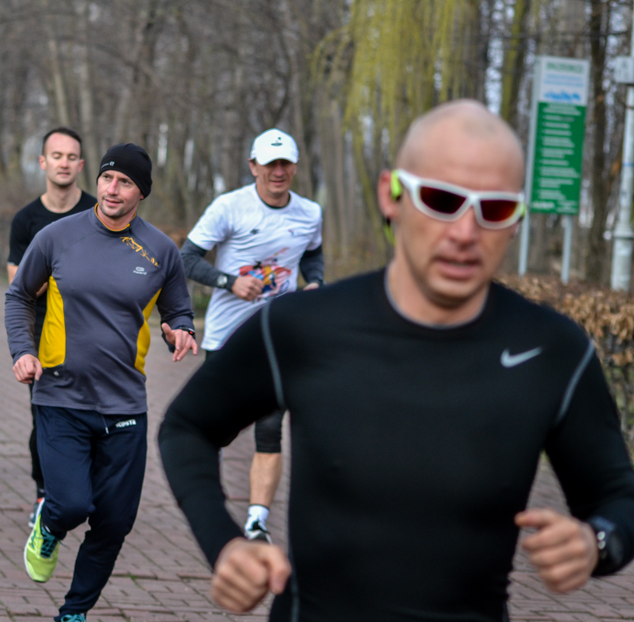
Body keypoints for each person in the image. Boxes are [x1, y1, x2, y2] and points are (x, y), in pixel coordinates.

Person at [158, 100, 634, 621]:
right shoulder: (304, 326)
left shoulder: (553, 348)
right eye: (441, 199)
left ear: (518, 218)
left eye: (494, 209)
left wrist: (596, 544)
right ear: (392, 195)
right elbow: (187, 427)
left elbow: (618, 497)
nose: (465, 232)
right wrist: (223, 542)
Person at [5, 143, 198, 622]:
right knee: (71, 504)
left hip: (125, 403)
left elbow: (178, 307)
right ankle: (48, 527)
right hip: (60, 396)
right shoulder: (57, 236)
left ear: (141, 193)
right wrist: (23, 351)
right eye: (108, 179)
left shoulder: (159, 250)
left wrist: (181, 329)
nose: (112, 190)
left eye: (125, 183)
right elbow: (18, 296)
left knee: (114, 522)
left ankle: (74, 612)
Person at [180, 128, 323, 543]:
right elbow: (186, 257)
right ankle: (208, 503)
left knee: (270, 427)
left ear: (294, 167)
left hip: (278, 335)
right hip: (226, 335)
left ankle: (257, 521)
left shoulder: (310, 213)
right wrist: (229, 282)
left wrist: (315, 282)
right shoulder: (230, 207)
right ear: (254, 166)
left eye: (285, 164)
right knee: (216, 428)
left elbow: (313, 253)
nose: (278, 172)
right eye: (270, 164)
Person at [7, 127, 96, 527]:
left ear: (81, 164)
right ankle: (45, 495)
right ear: (43, 162)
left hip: (93, 331)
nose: (63, 163)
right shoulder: (27, 220)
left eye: (71, 156)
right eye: (55, 156)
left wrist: (48, 277)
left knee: (95, 414)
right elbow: (19, 284)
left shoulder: (98, 211)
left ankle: (85, 490)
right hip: (42, 334)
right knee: (45, 416)